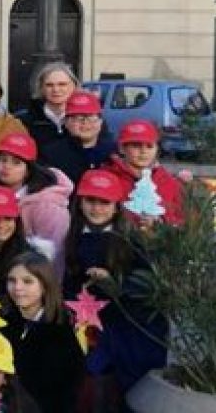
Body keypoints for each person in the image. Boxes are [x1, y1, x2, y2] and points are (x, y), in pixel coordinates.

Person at [61, 169, 163, 406]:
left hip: (133, 330)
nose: (97, 208)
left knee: (132, 394)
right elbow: (71, 282)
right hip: (92, 329)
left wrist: (113, 285)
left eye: (104, 202)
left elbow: (150, 286)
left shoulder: (133, 239)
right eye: (90, 201)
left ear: (117, 206)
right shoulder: (75, 236)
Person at [1, 253, 84, 413]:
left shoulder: (62, 333)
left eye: (27, 281)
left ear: (45, 285)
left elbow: (63, 395)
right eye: (12, 280)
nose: (17, 287)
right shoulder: (5, 322)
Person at [0, 133, 73, 267]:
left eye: (16, 162)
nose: (7, 166)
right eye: (3, 160)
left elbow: (55, 255)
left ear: (28, 170)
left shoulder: (47, 205)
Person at [96, 119, 184, 225]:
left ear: (157, 149)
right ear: (122, 148)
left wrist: (160, 221)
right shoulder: (106, 179)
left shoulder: (167, 181)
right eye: (136, 145)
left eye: (149, 146)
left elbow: (181, 218)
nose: (144, 151)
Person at [18, 62, 82, 170]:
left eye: (62, 84)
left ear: (74, 86)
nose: (56, 90)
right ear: (41, 88)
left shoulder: (89, 120)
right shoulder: (24, 121)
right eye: (49, 85)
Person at [54, 92, 117, 184]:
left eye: (91, 117)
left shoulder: (114, 151)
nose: (85, 123)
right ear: (66, 123)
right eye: (78, 118)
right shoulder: (52, 155)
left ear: (101, 121)